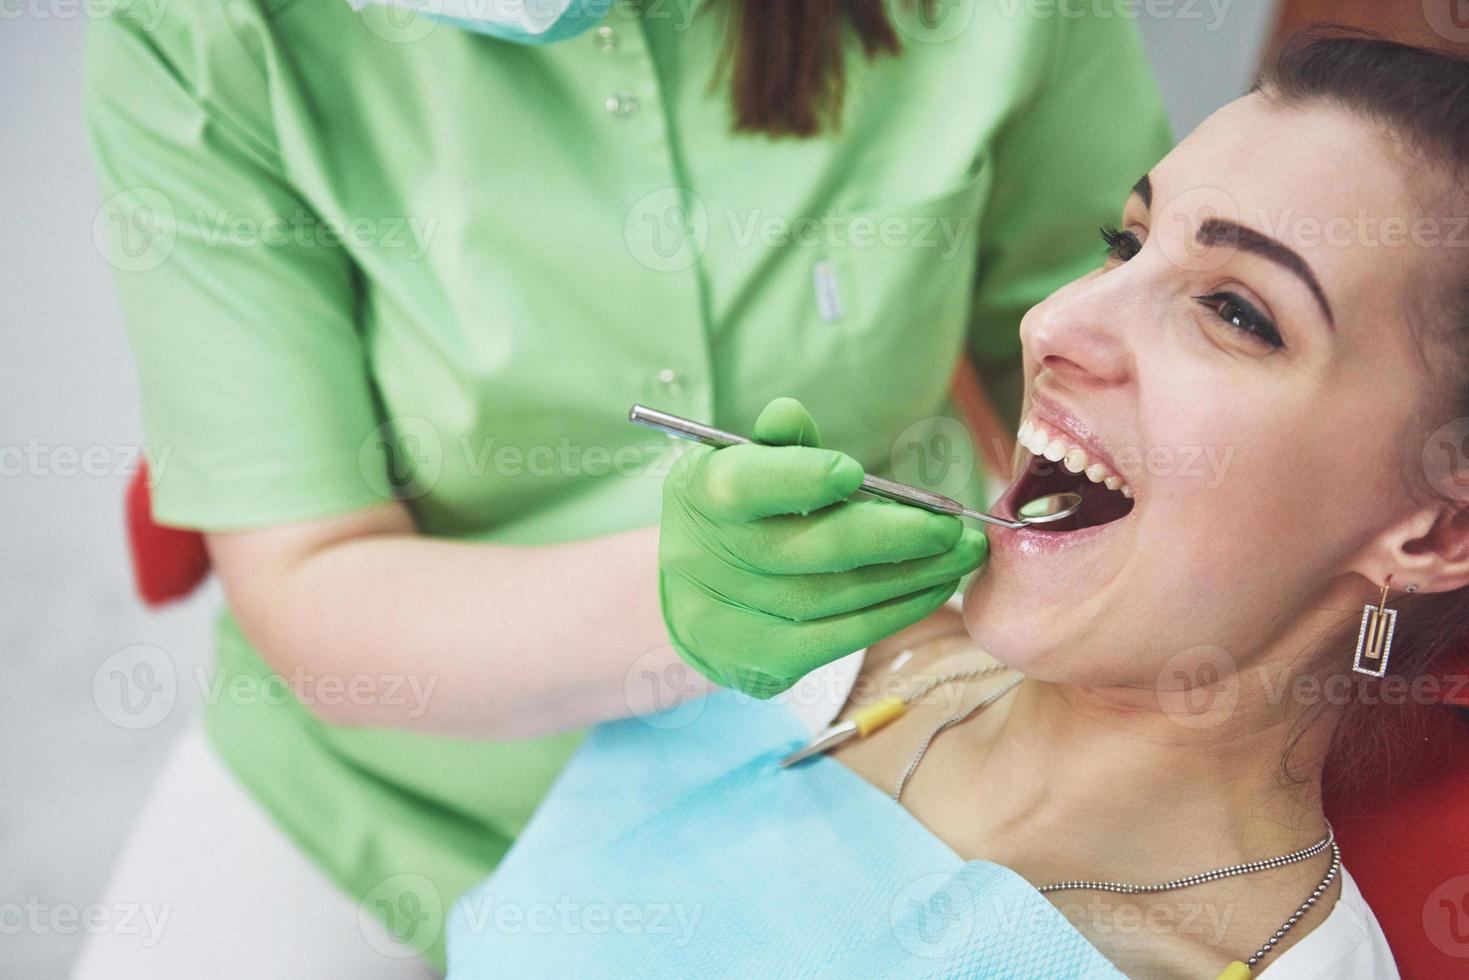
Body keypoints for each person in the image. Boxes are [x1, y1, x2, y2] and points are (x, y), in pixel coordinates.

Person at [75, 0, 1170, 975]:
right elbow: (305, 575)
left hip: (840, 778)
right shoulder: (201, 31)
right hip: (382, 804)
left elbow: (1113, 374)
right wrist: (671, 600)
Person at [445, 32, 1469, 979]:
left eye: (1234, 311)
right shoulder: (802, 656)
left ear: (1435, 529)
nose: (1052, 321)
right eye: (1121, 246)